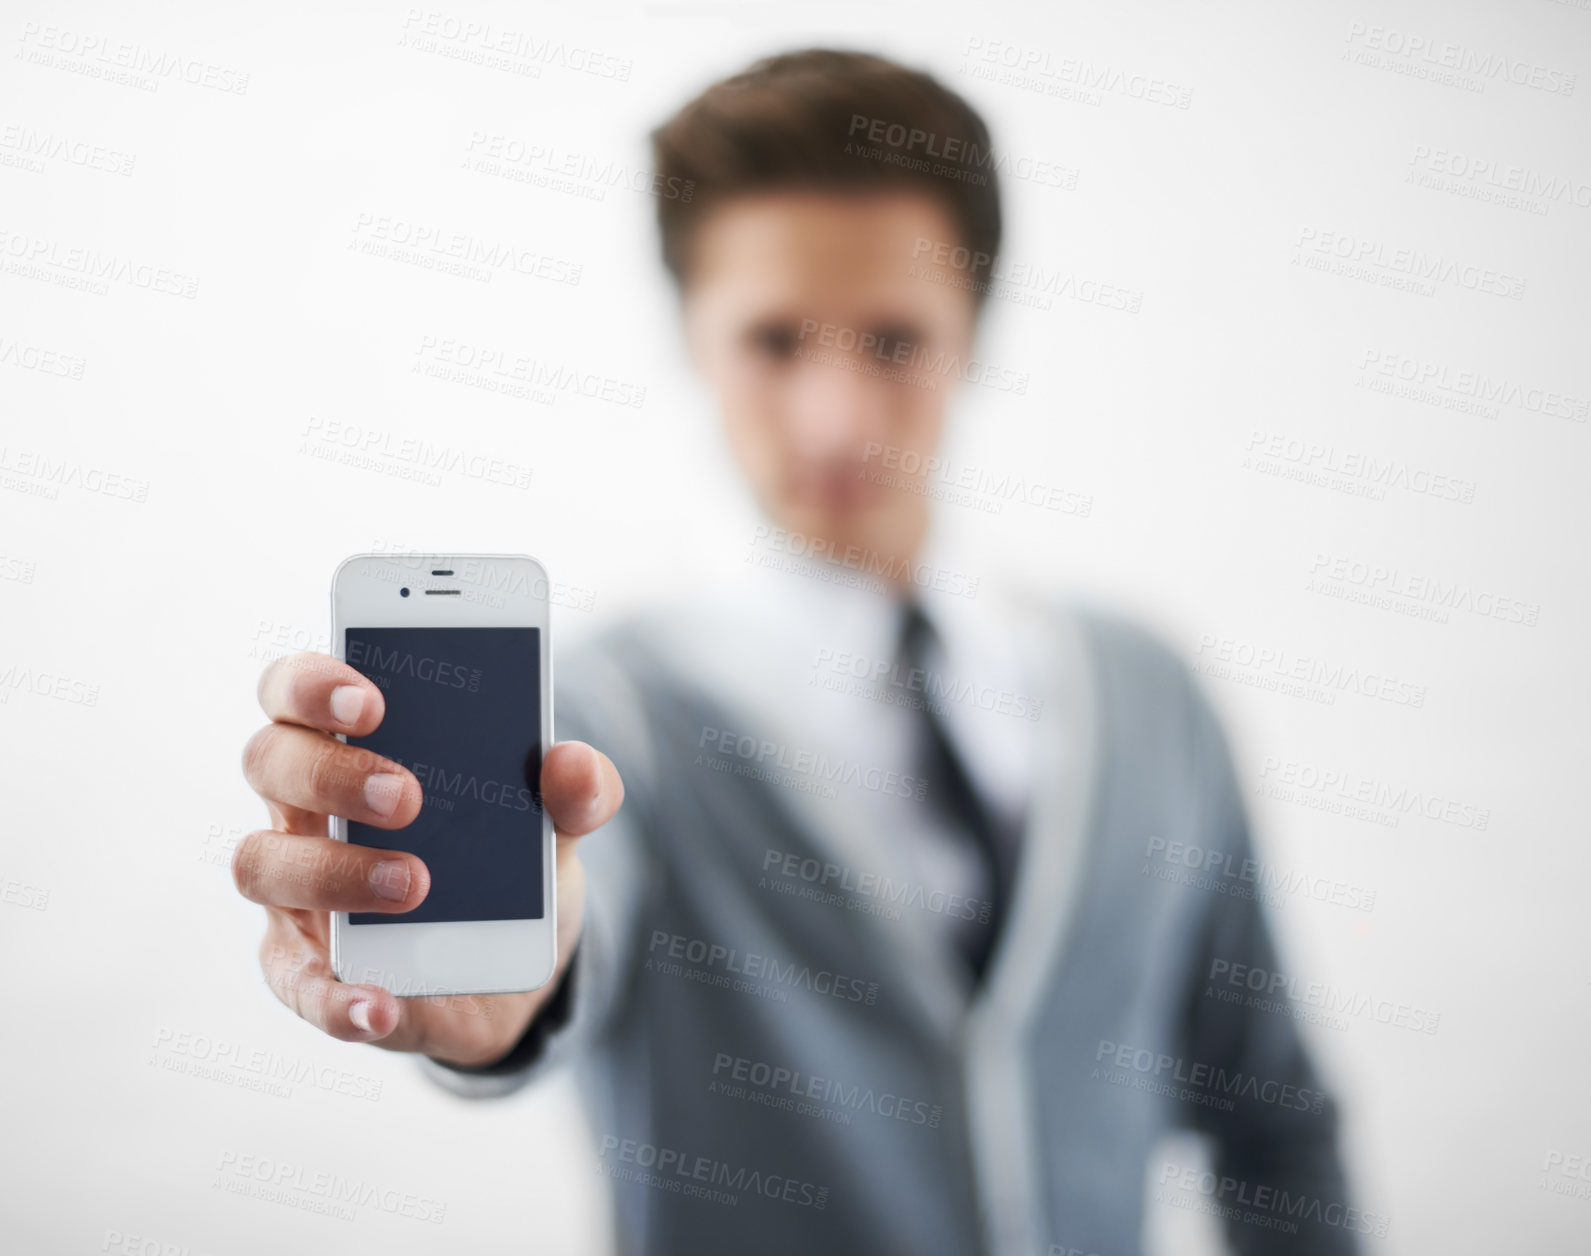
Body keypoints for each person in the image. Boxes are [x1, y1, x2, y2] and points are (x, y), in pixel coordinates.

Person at [234, 49, 1361, 1256]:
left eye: (892, 341)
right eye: (774, 342)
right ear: (693, 340)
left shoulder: (1150, 693)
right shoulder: (598, 713)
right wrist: (516, 1008)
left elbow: (1276, 1123)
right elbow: (576, 925)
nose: (836, 418)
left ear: (972, 331)